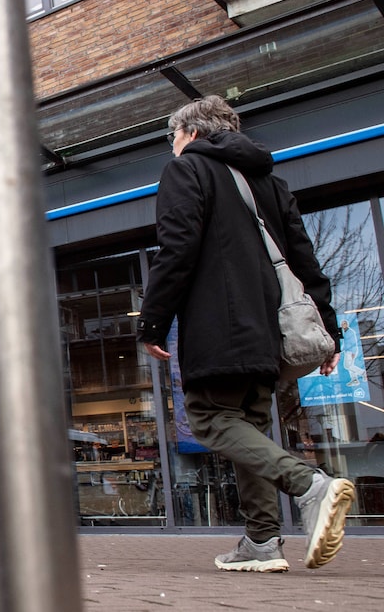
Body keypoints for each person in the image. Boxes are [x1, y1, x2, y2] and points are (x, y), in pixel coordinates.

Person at [137, 95, 355, 573]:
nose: (171, 146)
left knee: (212, 418)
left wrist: (153, 319)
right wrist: (329, 330)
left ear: (192, 133)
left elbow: (177, 247)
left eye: (172, 136)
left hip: (221, 327)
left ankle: (309, 485)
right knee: (251, 429)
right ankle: (261, 541)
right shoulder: (268, 181)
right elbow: (304, 259)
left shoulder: (187, 171)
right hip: (271, 330)